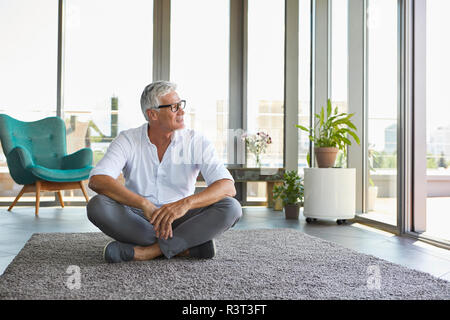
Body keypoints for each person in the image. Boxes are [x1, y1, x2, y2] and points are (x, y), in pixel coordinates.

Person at [86, 80, 242, 263]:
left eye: (181, 105)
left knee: (231, 207)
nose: (182, 111)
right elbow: (97, 179)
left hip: (183, 218)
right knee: (97, 206)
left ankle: (148, 252)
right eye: (174, 107)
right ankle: (186, 245)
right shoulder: (128, 139)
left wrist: (185, 204)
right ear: (153, 114)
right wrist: (143, 204)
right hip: (140, 219)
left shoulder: (196, 141)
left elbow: (227, 186)